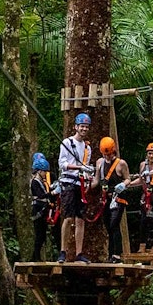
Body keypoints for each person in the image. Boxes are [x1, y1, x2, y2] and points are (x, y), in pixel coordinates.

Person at [57, 112, 94, 263]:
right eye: (82, 126)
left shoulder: (87, 148)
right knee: (68, 217)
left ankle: (79, 252)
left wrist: (87, 175)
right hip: (68, 183)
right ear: (76, 127)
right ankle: (63, 251)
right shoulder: (67, 143)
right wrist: (79, 167)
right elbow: (62, 164)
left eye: (86, 127)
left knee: (80, 219)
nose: (84, 129)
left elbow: (84, 169)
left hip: (80, 184)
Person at [92, 136, 132, 263]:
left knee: (114, 224)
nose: (107, 157)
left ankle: (117, 254)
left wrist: (123, 185)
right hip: (105, 198)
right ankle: (111, 254)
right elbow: (97, 180)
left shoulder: (121, 164)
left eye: (109, 154)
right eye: (105, 154)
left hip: (117, 197)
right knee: (108, 226)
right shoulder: (99, 162)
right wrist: (86, 186)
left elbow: (128, 178)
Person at [132, 142, 153, 251]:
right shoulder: (143, 165)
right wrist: (129, 184)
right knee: (144, 221)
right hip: (146, 195)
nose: (151, 156)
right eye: (149, 153)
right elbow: (141, 180)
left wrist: (148, 173)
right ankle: (142, 245)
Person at [29, 152, 59, 261]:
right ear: (39, 171)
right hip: (38, 211)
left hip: (43, 210)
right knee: (39, 236)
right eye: (44, 171)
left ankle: (35, 257)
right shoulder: (35, 182)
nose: (45, 173)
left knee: (42, 236)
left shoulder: (40, 182)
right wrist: (52, 193)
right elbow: (40, 195)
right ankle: (35, 258)